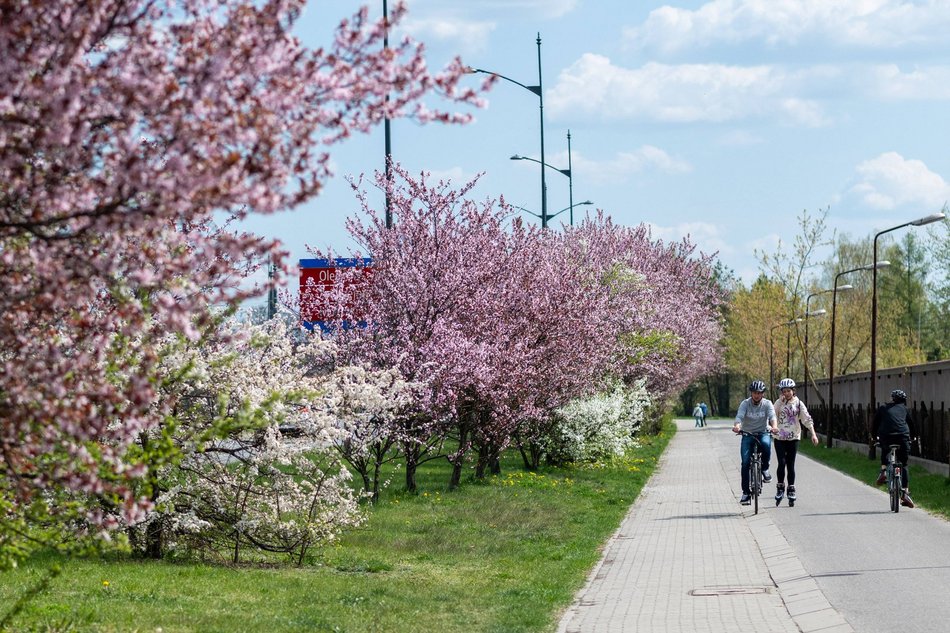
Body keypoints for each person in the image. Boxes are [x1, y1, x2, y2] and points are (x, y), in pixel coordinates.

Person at [772, 378, 819, 506]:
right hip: (779, 437)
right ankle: (780, 486)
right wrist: (771, 427)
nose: (786, 393)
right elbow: (771, 416)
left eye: (788, 391)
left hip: (793, 438)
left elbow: (807, 419)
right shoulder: (778, 403)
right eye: (784, 391)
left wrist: (813, 434)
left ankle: (791, 488)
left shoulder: (798, 403)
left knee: (790, 464)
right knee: (781, 463)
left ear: (793, 391)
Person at [732, 380, 777, 505]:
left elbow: (772, 416)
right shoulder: (745, 404)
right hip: (747, 433)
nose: (756, 395)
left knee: (767, 444)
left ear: (762, 393)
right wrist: (737, 426)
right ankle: (746, 493)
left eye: (759, 393)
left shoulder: (767, 404)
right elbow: (740, 416)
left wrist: (774, 427)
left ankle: (765, 469)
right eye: (754, 393)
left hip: (763, 432)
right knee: (745, 462)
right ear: (751, 393)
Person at [874, 389, 917, 508]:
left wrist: (873, 437)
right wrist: (913, 438)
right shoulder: (904, 409)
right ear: (904, 400)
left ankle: (883, 471)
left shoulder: (883, 408)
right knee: (904, 464)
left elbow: (875, 423)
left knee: (885, 449)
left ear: (892, 399)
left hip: (886, 436)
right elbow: (911, 424)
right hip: (903, 437)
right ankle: (905, 493)